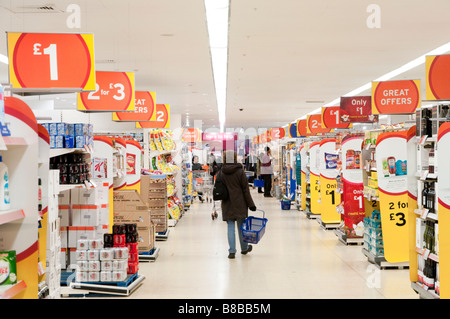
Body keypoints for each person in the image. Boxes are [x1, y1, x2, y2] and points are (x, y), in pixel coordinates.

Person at [220, 150, 257, 259]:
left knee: (230, 226)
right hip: (240, 202)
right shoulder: (240, 171)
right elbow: (246, 190)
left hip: (227, 202)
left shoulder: (222, 172)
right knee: (241, 227)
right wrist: (251, 204)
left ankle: (232, 251)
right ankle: (244, 248)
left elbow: (219, 188)